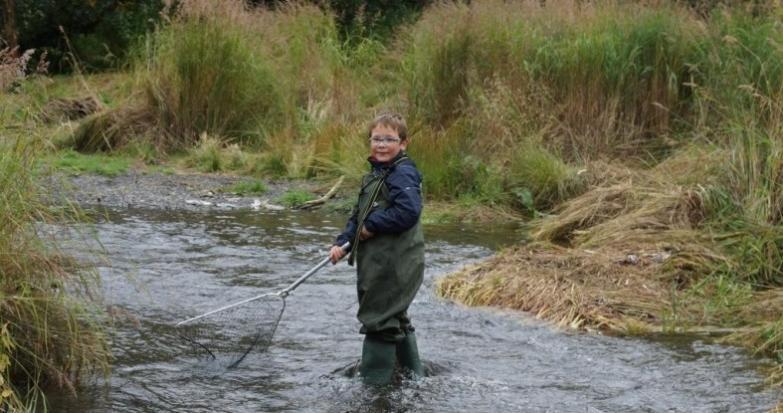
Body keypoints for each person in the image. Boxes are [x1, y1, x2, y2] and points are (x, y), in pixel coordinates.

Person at [329, 112, 425, 385]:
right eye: (376, 139)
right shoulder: (376, 174)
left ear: (403, 143)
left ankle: (372, 390)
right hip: (382, 263)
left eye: (389, 139)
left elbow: (408, 211)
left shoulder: (402, 172)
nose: (381, 145)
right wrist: (342, 243)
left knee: (379, 320)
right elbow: (358, 216)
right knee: (395, 316)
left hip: (395, 264)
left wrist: (372, 225)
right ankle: (414, 377)